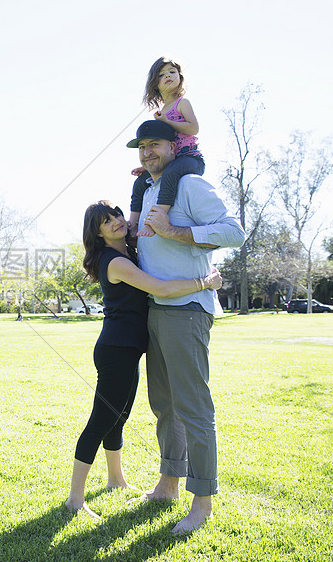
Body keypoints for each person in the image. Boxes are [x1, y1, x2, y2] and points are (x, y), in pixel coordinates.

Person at [65, 200, 223, 519]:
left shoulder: (130, 251)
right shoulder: (114, 260)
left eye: (117, 215)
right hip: (116, 351)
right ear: (96, 233)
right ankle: (75, 499)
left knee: (118, 416)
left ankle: (115, 479)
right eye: (106, 222)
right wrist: (204, 283)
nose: (116, 222)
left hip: (128, 349)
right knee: (100, 421)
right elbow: (160, 289)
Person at [128, 119, 244, 534]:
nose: (147, 152)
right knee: (164, 405)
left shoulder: (191, 185)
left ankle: (202, 503)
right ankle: (168, 483)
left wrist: (175, 232)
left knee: (194, 409)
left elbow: (234, 232)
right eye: (141, 146)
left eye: (155, 144)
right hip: (155, 310)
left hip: (188, 309)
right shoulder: (150, 190)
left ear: (175, 146)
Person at [128, 57, 204, 238]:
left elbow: (193, 128)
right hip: (173, 161)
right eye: (162, 75)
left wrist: (167, 121)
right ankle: (132, 225)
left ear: (180, 77)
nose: (168, 76)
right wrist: (149, 163)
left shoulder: (182, 103)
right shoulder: (162, 110)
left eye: (172, 71)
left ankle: (156, 219)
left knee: (170, 174)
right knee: (140, 182)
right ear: (155, 84)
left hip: (190, 159)